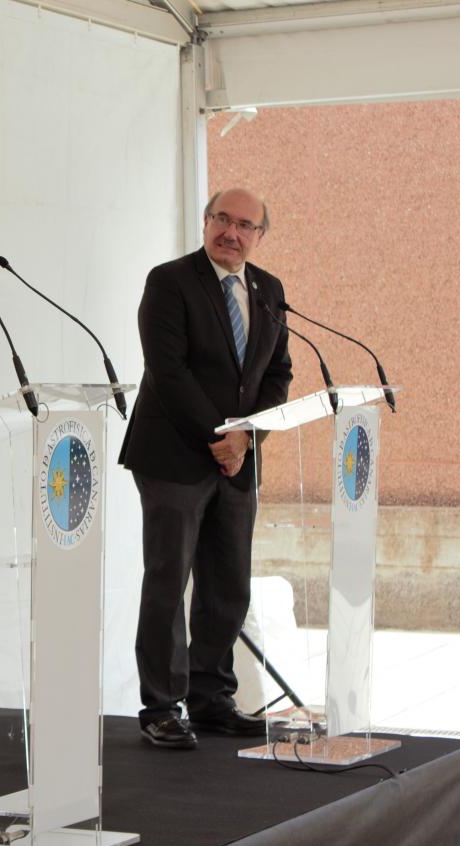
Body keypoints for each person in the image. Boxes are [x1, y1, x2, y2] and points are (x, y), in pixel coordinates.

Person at [119, 188, 293, 750]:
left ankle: (212, 697)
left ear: (260, 236)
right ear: (206, 220)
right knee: (169, 582)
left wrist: (248, 436)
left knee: (227, 585)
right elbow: (167, 372)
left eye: (245, 225)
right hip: (174, 456)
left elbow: (277, 375)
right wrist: (220, 436)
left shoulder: (268, 290)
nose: (232, 233)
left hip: (238, 459)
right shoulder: (170, 282)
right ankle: (161, 706)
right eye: (223, 219)